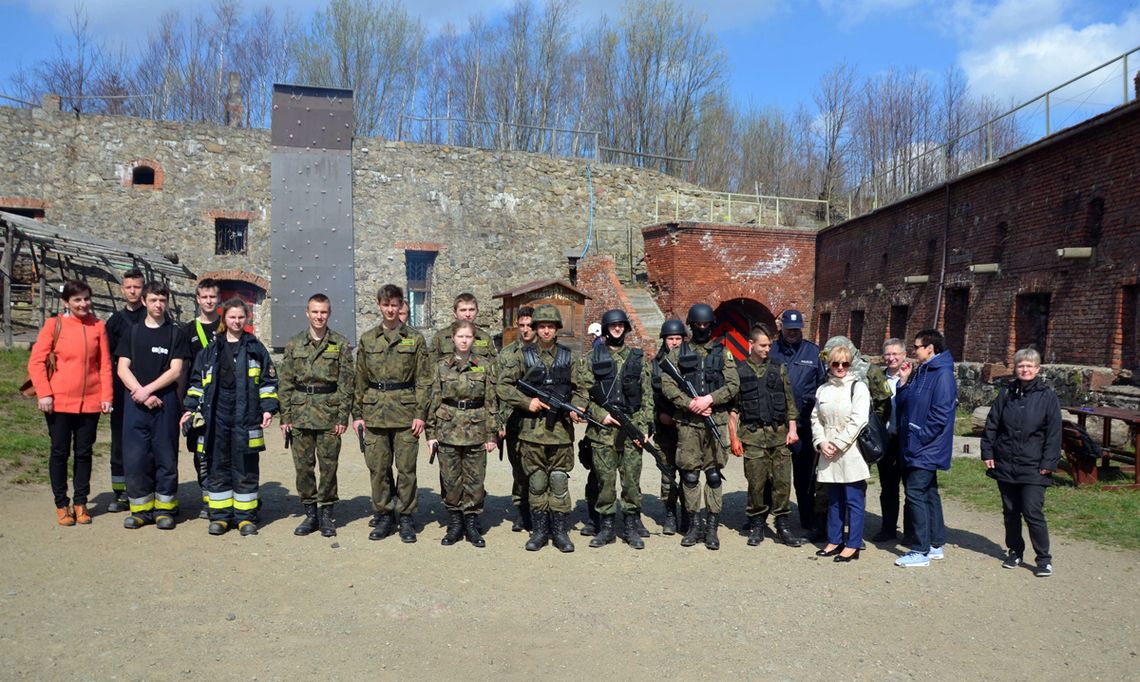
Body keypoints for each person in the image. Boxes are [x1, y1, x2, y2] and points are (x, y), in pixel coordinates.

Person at [182, 298, 279, 537]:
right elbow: (196, 384)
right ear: (224, 318)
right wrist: (190, 408)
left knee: (245, 466)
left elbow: (268, 382)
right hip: (216, 415)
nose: (237, 321)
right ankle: (221, 517)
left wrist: (268, 408)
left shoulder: (256, 348)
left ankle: (245, 517)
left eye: (241, 317)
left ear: (247, 318)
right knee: (218, 465)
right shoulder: (210, 351)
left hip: (246, 415)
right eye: (232, 317)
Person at [496, 304, 583, 553]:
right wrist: (527, 402)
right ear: (535, 328)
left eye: (550, 326)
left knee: (558, 481)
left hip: (560, 433)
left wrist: (577, 407)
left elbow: (582, 387)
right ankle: (539, 530)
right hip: (531, 432)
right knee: (536, 481)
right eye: (542, 326)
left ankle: (559, 531)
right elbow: (503, 386)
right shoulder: (522, 356)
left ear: (557, 329)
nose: (546, 330)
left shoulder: (569, 356)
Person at [28, 279, 113, 525]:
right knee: (60, 452)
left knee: (84, 453)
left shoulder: (98, 326)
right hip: (59, 401)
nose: (83, 303)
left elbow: (105, 364)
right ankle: (61, 504)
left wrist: (106, 396)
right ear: (67, 302)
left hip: (90, 403)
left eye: (86, 298)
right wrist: (44, 393)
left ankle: (80, 502)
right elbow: (36, 362)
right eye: (77, 300)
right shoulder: (54, 325)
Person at [352, 284, 432, 543]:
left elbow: (423, 380)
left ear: (401, 306)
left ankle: (406, 517)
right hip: (375, 411)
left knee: (406, 468)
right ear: (379, 305)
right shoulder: (368, 339)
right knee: (378, 468)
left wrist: (420, 413)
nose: (390, 309)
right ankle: (385, 515)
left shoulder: (415, 338)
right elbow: (360, 379)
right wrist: (358, 415)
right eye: (385, 305)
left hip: (406, 412)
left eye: (394, 305)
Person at [660, 303, 740, 550]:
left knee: (714, 476)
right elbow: (667, 384)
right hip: (688, 424)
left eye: (706, 324)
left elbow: (733, 384)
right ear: (691, 326)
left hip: (715, 421)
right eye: (698, 324)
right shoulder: (677, 353)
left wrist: (710, 399)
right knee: (690, 476)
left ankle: (711, 528)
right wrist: (690, 403)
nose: (703, 328)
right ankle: (694, 525)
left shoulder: (723, 352)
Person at [575, 309, 653, 549]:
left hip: (632, 431)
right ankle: (606, 527)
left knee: (631, 482)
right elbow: (581, 396)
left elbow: (648, 396)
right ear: (606, 328)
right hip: (603, 432)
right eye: (613, 325)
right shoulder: (590, 359)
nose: (617, 328)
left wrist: (646, 429)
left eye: (621, 325)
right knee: (605, 482)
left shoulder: (638, 359)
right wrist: (602, 415)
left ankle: (630, 527)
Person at [278, 294, 354, 538]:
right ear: (307, 313)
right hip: (300, 413)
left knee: (329, 466)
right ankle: (310, 514)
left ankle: (327, 514)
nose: (319, 316)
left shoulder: (340, 344)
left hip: (329, 412)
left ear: (329, 314)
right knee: (303, 467)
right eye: (315, 312)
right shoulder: (294, 344)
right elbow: (286, 382)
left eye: (323, 312)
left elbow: (346, 384)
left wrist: (343, 418)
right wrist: (285, 417)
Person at [116, 281, 191, 530]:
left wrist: (149, 390)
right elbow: (122, 368)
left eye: (162, 300)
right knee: (136, 458)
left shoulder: (175, 333)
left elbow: (176, 370)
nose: (158, 305)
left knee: (165, 456)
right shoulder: (133, 332)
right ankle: (140, 510)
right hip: (135, 403)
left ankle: (165, 509)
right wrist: (140, 392)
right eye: (153, 300)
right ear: (145, 301)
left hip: (165, 403)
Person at [981, 347, 1061, 577]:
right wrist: (988, 452)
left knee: (1032, 511)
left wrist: (1049, 462)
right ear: (1015, 368)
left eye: (1029, 366)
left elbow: (1054, 433)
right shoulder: (1006, 393)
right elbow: (992, 424)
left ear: (1037, 369)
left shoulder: (1047, 396)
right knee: (1010, 511)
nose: (1025, 369)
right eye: (1021, 365)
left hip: (1035, 465)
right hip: (1005, 462)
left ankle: (1043, 559)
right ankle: (1015, 551)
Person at [729, 323, 804, 548]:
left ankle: (782, 524)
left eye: (769, 345)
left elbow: (790, 402)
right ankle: (757, 523)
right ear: (750, 344)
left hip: (779, 435)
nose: (767, 349)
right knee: (756, 483)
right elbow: (733, 409)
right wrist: (733, 437)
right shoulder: (739, 371)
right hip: (752, 436)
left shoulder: (778, 367)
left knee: (782, 482)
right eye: (762, 345)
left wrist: (792, 429)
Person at [426, 320, 498, 547]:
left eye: (468, 337)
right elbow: (433, 400)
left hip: (476, 428)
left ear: (474, 339)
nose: (464, 341)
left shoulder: (484, 365)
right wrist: (430, 433)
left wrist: (491, 434)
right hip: (447, 429)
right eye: (460, 337)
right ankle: (455, 522)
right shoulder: (441, 366)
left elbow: (491, 400)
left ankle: (472, 523)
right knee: (450, 480)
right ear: (453, 339)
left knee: (475, 480)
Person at [894, 329, 957, 567]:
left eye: (917, 346)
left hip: (926, 447)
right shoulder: (923, 371)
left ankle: (920, 550)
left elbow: (941, 415)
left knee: (916, 492)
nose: (913, 351)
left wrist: (919, 438)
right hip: (917, 444)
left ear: (930, 348)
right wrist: (904, 382)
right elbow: (906, 402)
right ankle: (935, 544)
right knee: (929, 493)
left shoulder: (942, 375)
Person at [811, 338, 871, 562]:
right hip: (827, 450)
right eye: (836, 364)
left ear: (850, 365)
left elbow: (859, 420)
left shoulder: (858, 387)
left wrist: (838, 443)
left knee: (853, 499)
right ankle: (834, 540)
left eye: (844, 364)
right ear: (829, 365)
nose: (840, 368)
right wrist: (820, 442)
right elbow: (815, 418)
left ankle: (853, 544)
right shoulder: (823, 390)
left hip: (850, 451)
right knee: (834, 499)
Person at [769, 309, 827, 538]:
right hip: (776, 424)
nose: (793, 332)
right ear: (781, 327)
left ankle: (807, 518)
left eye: (797, 328)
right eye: (789, 328)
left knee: (804, 476)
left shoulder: (812, 352)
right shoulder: (771, 350)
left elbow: (822, 386)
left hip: (804, 425)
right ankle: (761, 518)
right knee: (771, 475)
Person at [103, 269, 145, 511]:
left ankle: (143, 488)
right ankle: (120, 493)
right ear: (122, 289)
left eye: (137, 287)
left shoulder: (152, 317)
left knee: (144, 443)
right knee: (119, 442)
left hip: (148, 389)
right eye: (128, 287)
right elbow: (107, 359)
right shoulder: (115, 322)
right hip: (121, 391)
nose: (132, 291)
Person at [179, 278, 220, 518]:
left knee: (223, 450)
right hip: (198, 403)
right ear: (197, 299)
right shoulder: (187, 331)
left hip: (224, 402)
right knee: (200, 452)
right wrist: (183, 406)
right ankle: (206, 495)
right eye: (204, 297)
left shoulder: (228, 326)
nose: (208, 301)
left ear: (219, 298)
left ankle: (221, 495)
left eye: (212, 297)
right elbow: (183, 370)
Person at [498, 306, 537, 532]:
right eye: (521, 326)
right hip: (514, 419)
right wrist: (499, 423)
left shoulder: (545, 351)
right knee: (519, 468)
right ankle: (522, 511)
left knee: (538, 468)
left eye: (529, 326)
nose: (525, 330)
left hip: (538, 420)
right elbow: (500, 390)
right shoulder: (507, 353)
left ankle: (538, 510)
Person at [872, 337, 913, 543]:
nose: (891, 358)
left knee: (910, 487)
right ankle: (888, 528)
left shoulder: (913, 378)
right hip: (886, 438)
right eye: (887, 354)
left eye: (895, 354)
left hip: (906, 440)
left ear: (904, 355)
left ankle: (910, 532)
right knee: (888, 488)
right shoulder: (878, 378)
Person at [650, 319, 686, 535]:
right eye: (670, 338)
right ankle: (670, 513)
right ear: (664, 340)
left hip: (687, 427)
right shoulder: (655, 365)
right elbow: (648, 396)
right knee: (668, 472)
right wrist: (658, 415)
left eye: (678, 339)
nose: (674, 342)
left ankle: (688, 514)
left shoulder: (690, 362)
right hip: (664, 428)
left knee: (689, 473)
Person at [429, 293, 498, 364]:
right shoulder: (441, 337)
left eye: (471, 310)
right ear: (455, 313)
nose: (467, 314)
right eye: (463, 310)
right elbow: (431, 366)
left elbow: (493, 366)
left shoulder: (484, 338)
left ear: (477, 311)